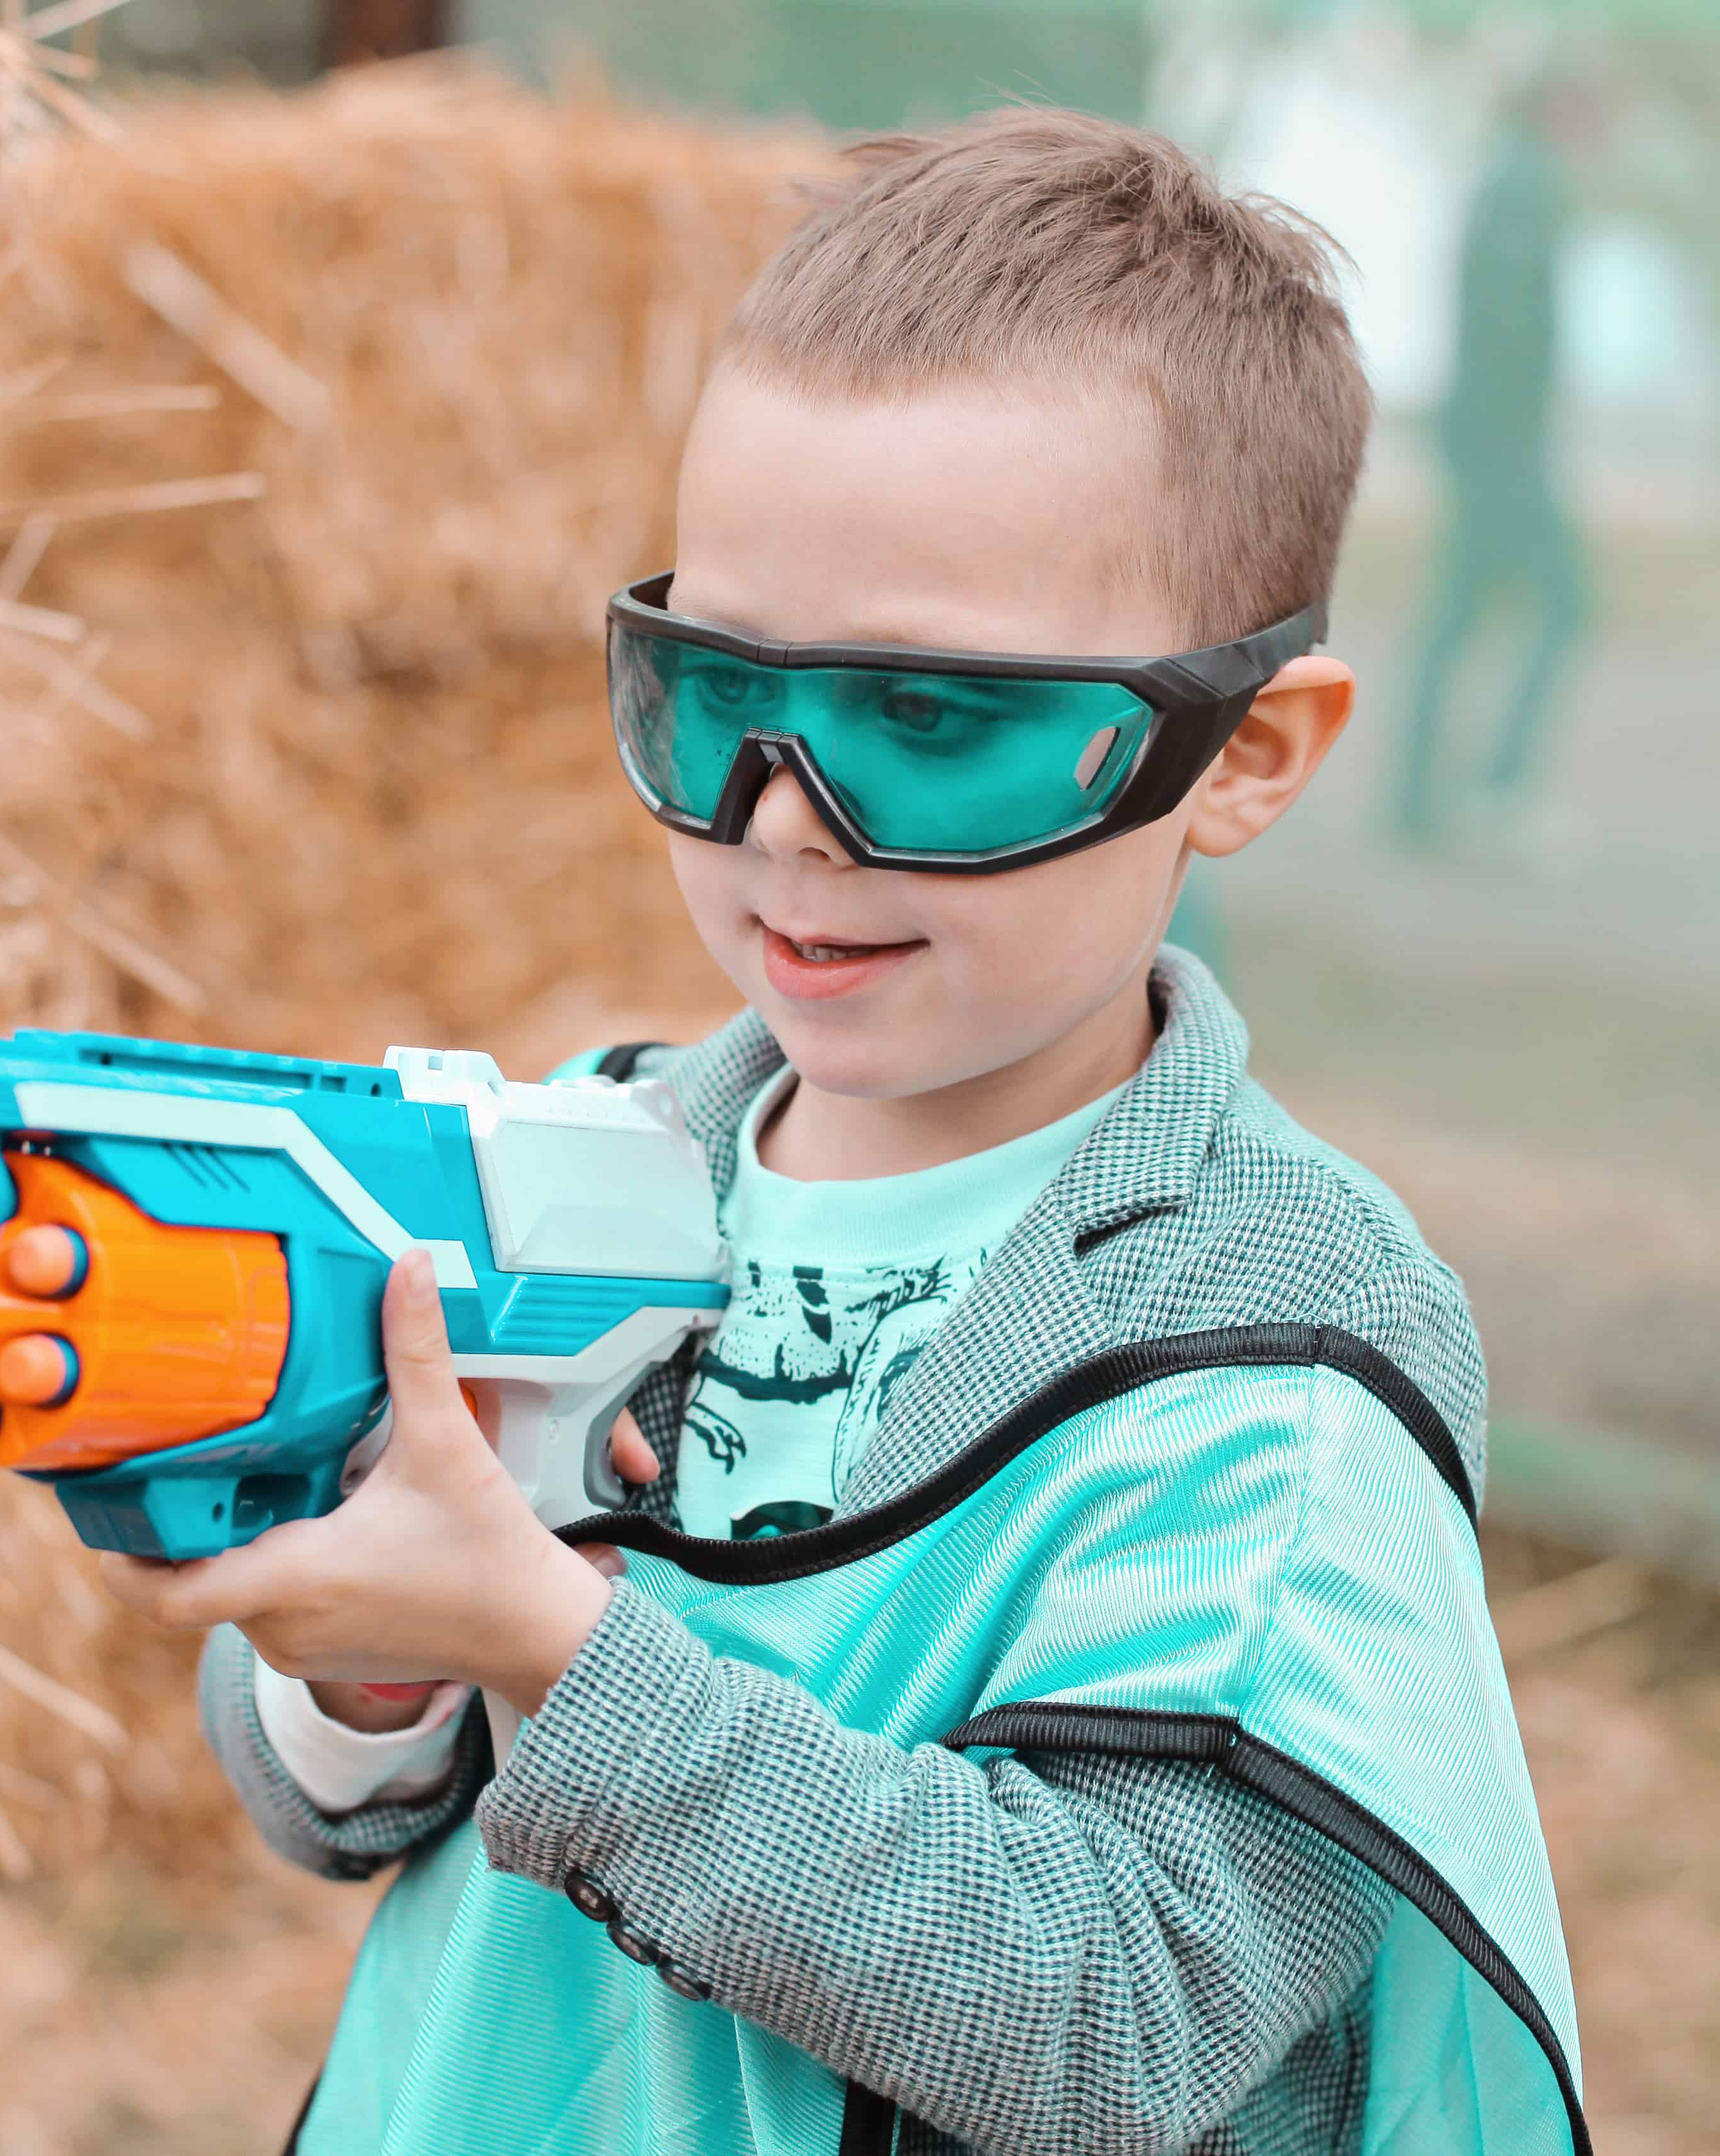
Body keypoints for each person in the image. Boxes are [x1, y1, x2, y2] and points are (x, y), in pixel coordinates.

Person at [103, 111, 1585, 2156]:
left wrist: (547, 1642)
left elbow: (1106, 2022)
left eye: (931, 721)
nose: (786, 821)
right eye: (715, 694)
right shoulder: (591, 1145)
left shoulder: (1279, 1338)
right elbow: (332, 1804)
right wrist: (371, 1668)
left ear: (1241, 753)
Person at [1389, 77, 1593, 855]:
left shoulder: (1504, 183)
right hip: (1500, 447)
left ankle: (1419, 799)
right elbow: (1510, 330)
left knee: (1461, 615)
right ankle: (1495, 790)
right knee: (1560, 604)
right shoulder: (1522, 188)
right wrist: (1518, 454)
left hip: (1484, 441)